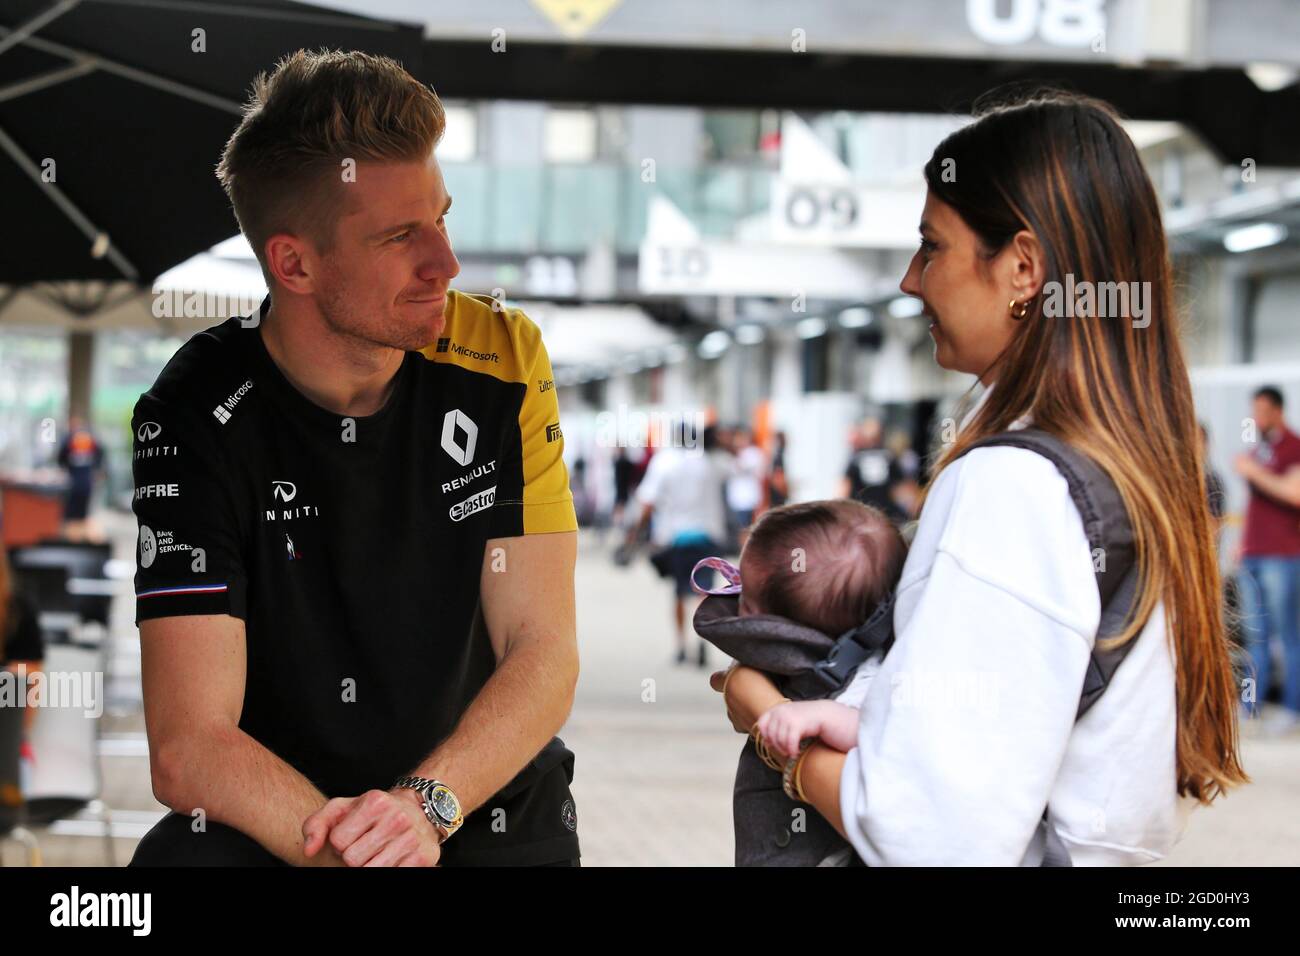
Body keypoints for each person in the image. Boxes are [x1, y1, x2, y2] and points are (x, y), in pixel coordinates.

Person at [714, 90, 1247, 865]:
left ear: (1022, 268)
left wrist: (768, 725)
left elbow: (931, 839)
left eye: (932, 246)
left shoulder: (1015, 488)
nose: (909, 279)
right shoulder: (1131, 480)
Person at [128, 50, 580, 867]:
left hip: (471, 798)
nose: (446, 263)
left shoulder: (504, 354)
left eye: (441, 217)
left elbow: (541, 651)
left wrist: (422, 810)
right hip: (285, 813)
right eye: (402, 236)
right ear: (293, 262)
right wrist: (358, 854)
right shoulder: (194, 407)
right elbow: (188, 744)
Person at [690, 500, 907, 865]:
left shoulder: (865, 682)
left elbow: (884, 732)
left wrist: (825, 717)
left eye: (745, 598)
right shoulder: (820, 667)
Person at [631, 424, 730, 667]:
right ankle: (703, 641)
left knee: (678, 592)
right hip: (708, 536)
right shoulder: (712, 462)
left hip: (676, 537)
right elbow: (738, 473)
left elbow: (647, 500)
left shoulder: (664, 462)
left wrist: (635, 534)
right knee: (704, 591)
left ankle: (680, 646)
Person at [1232, 386, 1300, 730]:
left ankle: (1292, 709)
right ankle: (1249, 706)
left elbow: (1294, 492)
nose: (1256, 417)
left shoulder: (1293, 447)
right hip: (1253, 554)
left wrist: (1253, 472)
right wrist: (1242, 543)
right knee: (1254, 636)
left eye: (1261, 410)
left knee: (1288, 636)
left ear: (1277, 411)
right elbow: (1255, 504)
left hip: (1284, 556)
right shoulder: (1258, 451)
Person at [839, 418, 906, 525]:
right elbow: (902, 489)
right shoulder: (889, 457)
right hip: (886, 513)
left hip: (861, 514)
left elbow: (844, 487)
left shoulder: (856, 458)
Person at [56, 416, 104, 541]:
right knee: (78, 509)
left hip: (78, 480)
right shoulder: (87, 438)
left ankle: (75, 535)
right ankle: (76, 534)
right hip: (81, 480)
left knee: (75, 510)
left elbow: (61, 457)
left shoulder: (72, 439)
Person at [725, 426, 766, 543]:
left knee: (746, 526)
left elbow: (744, 468)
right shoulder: (730, 455)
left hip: (748, 497)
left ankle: (745, 547)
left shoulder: (754, 453)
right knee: (738, 527)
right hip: (735, 498)